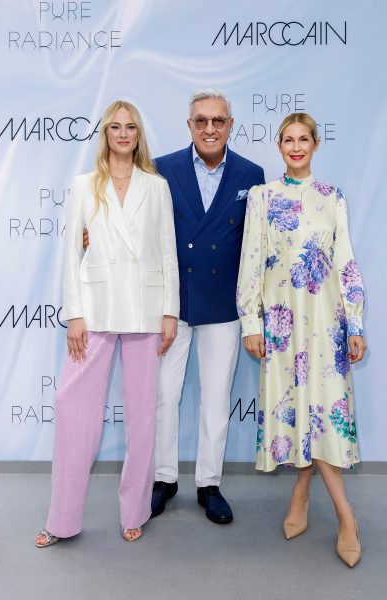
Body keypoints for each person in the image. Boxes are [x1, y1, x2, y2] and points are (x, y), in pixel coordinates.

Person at [34, 100, 179, 547]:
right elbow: (70, 256)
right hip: (94, 310)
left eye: (130, 127)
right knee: (74, 410)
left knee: (141, 417)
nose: (122, 134)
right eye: (115, 127)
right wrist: (74, 313)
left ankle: (135, 511)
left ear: (138, 135)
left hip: (145, 310)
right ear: (106, 134)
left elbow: (167, 252)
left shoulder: (156, 187)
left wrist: (169, 312)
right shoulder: (84, 185)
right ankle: (61, 521)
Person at [237, 112, 366, 566]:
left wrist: (356, 322)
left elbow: (346, 260)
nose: (296, 147)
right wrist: (251, 324)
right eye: (288, 140)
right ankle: (310, 493)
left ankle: (340, 512)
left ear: (315, 145)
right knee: (298, 410)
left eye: (303, 140)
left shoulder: (332, 198)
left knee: (323, 414)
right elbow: (251, 261)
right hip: (280, 323)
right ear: (279, 146)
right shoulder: (261, 197)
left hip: (326, 325)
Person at [151, 89, 265, 524]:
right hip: (171, 304)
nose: (210, 128)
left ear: (230, 125)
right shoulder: (162, 169)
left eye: (218, 120)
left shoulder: (251, 174)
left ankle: (209, 485)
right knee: (165, 396)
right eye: (201, 120)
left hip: (223, 305)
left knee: (216, 400)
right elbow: (139, 226)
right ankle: (164, 479)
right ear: (189, 125)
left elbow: (261, 242)